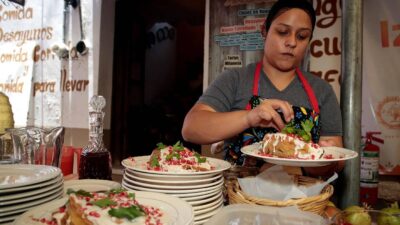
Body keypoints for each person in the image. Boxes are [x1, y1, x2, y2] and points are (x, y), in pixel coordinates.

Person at [182, 0, 343, 178]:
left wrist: (310, 164)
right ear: (264, 31)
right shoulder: (235, 80)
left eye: (302, 36)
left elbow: (337, 157)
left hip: (303, 201)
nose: (291, 42)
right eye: (282, 32)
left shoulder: (322, 90)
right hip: (238, 198)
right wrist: (250, 117)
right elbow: (191, 128)